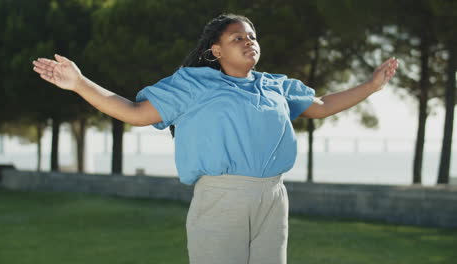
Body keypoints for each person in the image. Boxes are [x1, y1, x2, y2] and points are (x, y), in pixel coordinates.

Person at [32, 13, 398, 264]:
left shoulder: (275, 85)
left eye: (252, 36)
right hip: (222, 197)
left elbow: (319, 105)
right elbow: (133, 112)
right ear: (216, 50)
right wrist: (79, 83)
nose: (248, 41)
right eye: (237, 37)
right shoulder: (194, 83)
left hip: (274, 195)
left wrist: (371, 86)